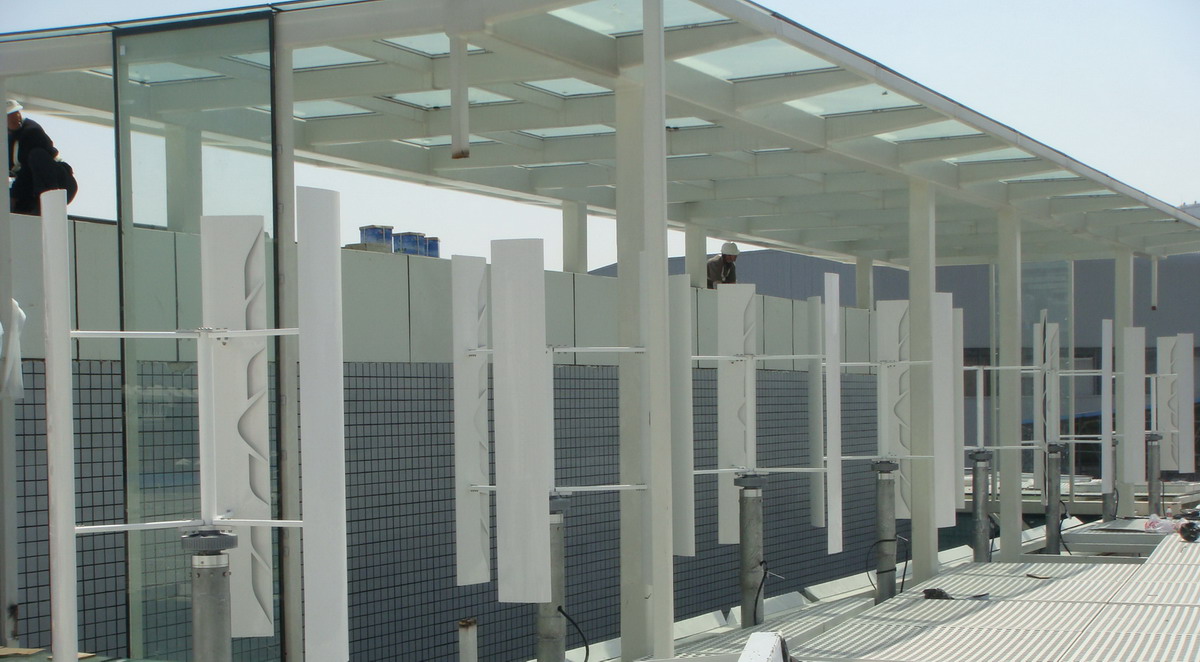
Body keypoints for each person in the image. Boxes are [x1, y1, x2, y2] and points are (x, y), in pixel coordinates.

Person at [8, 100, 77, 215]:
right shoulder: (7, 139)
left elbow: (27, 171)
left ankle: (48, 204)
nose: (16, 117)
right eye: (11, 115)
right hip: (31, 186)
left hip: (60, 184)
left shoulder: (31, 131)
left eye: (17, 113)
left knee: (36, 155)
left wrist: (13, 196)